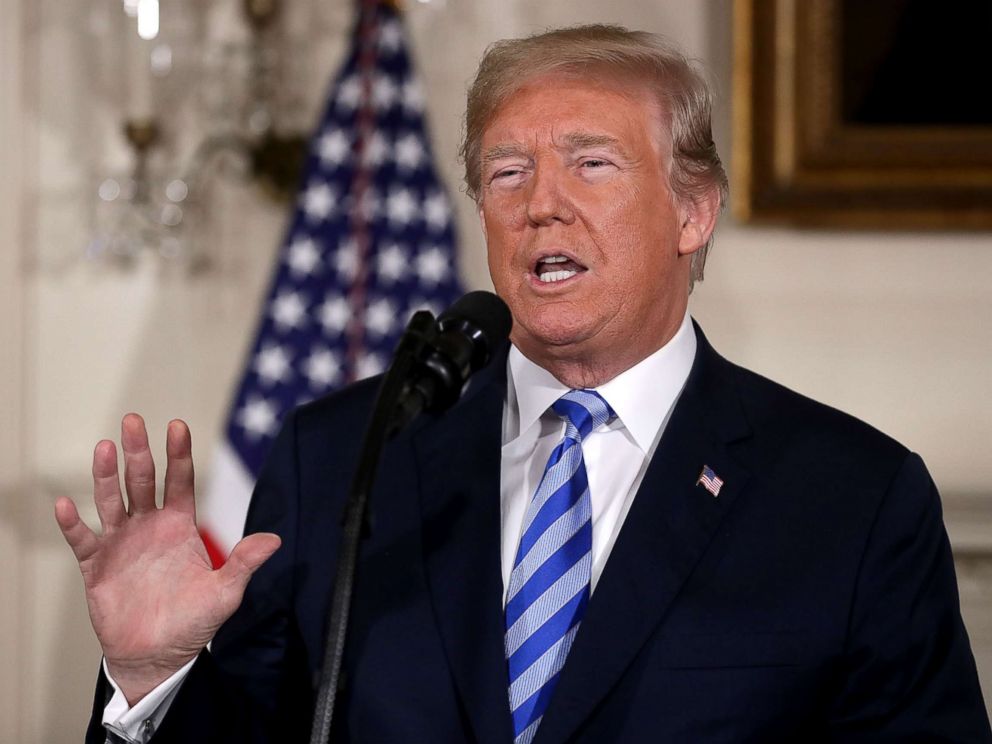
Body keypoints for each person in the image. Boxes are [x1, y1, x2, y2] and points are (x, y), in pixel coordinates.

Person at [57, 24, 990, 744]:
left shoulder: (853, 500)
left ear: (694, 211)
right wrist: (151, 678)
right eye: (508, 172)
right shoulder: (343, 455)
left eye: (591, 163)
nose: (541, 202)